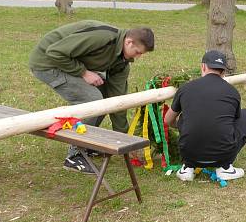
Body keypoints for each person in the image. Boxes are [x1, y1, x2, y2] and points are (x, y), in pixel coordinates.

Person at [29, 21, 155, 174]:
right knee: (92, 100)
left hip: (67, 61)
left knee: (103, 101)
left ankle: (87, 145)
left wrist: (125, 140)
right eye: (138, 52)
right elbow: (55, 52)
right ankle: (74, 155)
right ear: (128, 42)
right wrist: (84, 73)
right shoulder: (102, 38)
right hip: (47, 62)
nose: (139, 57)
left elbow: (116, 101)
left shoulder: (122, 63)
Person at [164, 50, 246, 181]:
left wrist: (181, 126)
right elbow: (234, 121)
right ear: (223, 72)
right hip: (223, 154)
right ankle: (225, 168)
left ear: (203, 66)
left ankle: (187, 168)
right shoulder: (232, 92)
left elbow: (168, 120)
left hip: (189, 154)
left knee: (188, 117)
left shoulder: (185, 88)